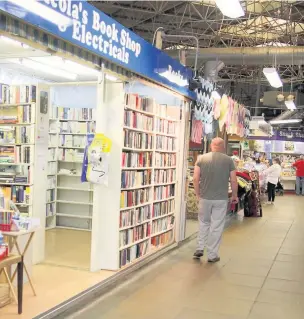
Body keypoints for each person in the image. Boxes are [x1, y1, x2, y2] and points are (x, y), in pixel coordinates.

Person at [192, 137, 238, 263]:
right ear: (223, 147)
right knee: (216, 226)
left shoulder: (201, 158)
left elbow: (195, 179)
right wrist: (234, 195)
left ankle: (200, 247)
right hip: (221, 199)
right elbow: (234, 180)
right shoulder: (228, 160)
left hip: (204, 198)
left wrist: (197, 194)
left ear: (211, 145)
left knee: (203, 222)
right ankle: (212, 254)